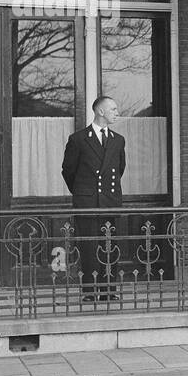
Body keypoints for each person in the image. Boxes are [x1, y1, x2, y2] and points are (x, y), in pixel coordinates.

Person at [61, 95, 127, 300]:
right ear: (100, 111)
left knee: (109, 246)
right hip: (87, 202)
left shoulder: (118, 140)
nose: (117, 113)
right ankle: (89, 292)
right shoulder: (79, 139)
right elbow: (68, 171)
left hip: (110, 201)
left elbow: (120, 168)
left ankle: (108, 290)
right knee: (89, 246)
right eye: (113, 109)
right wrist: (84, 192)